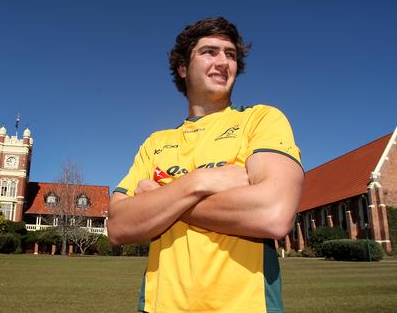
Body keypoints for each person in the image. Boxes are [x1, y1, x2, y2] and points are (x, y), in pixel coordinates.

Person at [107, 17, 304, 313]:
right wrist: (197, 182)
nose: (223, 61)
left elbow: (273, 213)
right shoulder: (156, 143)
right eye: (210, 51)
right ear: (183, 68)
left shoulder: (261, 120)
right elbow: (118, 226)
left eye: (231, 54)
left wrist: (161, 198)